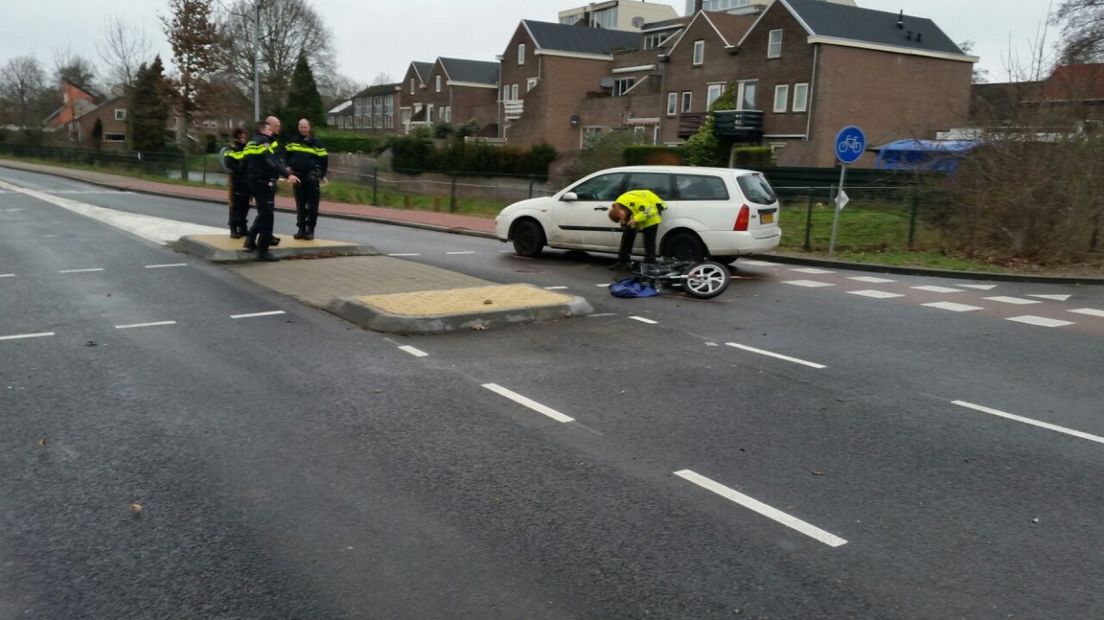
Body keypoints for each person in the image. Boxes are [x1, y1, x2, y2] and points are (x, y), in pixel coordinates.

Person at [242, 119, 299, 261]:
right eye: (269, 129)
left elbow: (244, 164)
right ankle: (263, 250)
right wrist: (288, 174)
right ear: (263, 130)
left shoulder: (250, 143)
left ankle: (250, 240)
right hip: (263, 184)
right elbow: (271, 161)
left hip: (254, 182)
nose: (271, 132)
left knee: (263, 213)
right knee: (268, 216)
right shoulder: (264, 142)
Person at [285, 118, 328, 240]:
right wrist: (287, 167)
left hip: (312, 178)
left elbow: (324, 161)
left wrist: (320, 175)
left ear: (309, 128)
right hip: (298, 177)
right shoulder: (292, 141)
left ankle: (310, 230)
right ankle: (301, 229)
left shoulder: (317, 143)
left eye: (304, 127)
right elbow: (286, 156)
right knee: (300, 205)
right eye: (300, 127)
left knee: (313, 206)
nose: (302, 129)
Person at [608, 188, 665, 271]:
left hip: (652, 213)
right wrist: (626, 221)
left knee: (649, 239)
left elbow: (649, 210)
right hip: (639, 212)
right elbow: (629, 214)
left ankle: (650, 263)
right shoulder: (621, 205)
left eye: (621, 217)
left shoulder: (631, 203)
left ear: (620, 211)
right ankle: (623, 262)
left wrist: (636, 219)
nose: (623, 218)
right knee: (627, 236)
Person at [222, 127, 250, 238]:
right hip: (236, 181)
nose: (243, 139)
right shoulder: (231, 149)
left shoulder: (247, 149)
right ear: (236, 137)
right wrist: (241, 169)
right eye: (241, 137)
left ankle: (243, 228)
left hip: (246, 181)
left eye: (245, 137)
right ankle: (233, 228)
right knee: (235, 206)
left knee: (245, 206)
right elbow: (230, 164)